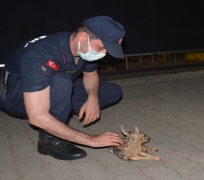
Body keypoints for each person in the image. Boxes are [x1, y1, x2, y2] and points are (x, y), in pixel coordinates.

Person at [0, 16, 126, 160]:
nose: (103, 54)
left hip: (52, 87)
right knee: (61, 82)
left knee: (111, 91)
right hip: (15, 95)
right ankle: (49, 140)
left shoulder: (82, 47)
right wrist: (91, 140)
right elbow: (36, 117)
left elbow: (90, 75)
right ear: (83, 37)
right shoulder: (40, 54)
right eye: (102, 48)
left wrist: (92, 99)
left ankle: (59, 112)